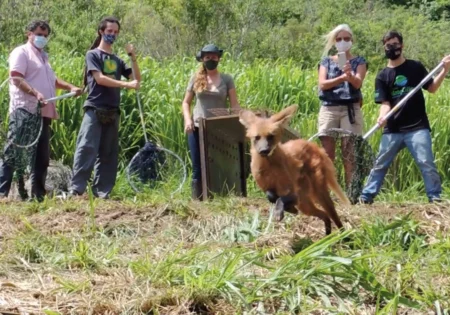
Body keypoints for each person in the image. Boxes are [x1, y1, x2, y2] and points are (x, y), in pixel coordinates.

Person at [359, 30, 450, 204]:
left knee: (426, 162)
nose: (392, 48)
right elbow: (385, 103)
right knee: (380, 163)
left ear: (402, 45)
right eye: (388, 45)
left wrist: (444, 71)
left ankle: (435, 197)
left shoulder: (415, 67)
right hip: (393, 128)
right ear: (384, 47)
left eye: (395, 44)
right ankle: (366, 197)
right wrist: (382, 117)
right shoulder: (382, 75)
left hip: (417, 127)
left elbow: (431, 88)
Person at [0, 20, 82, 202]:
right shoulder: (21, 53)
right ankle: (2, 191)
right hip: (25, 110)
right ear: (28, 33)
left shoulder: (43, 57)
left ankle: (37, 195)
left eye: (45, 36)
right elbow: (16, 78)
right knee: (14, 150)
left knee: (41, 156)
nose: (42, 38)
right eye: (39, 34)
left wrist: (70, 87)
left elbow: (52, 80)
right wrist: (35, 93)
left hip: (44, 112)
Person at [68, 16, 141, 199]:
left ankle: (102, 192)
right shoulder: (93, 54)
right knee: (86, 149)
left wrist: (133, 57)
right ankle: (77, 190)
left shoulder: (117, 60)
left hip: (113, 110)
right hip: (94, 108)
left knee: (108, 153)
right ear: (101, 31)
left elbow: (136, 79)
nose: (112, 35)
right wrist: (126, 85)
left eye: (115, 32)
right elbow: (100, 79)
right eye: (109, 31)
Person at [181, 44, 240, 200]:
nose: (211, 59)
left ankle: (219, 197)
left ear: (218, 58)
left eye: (214, 57)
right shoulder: (195, 78)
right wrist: (188, 120)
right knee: (197, 166)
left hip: (219, 128)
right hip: (197, 127)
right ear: (202, 59)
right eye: (208, 57)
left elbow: (234, 105)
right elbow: (185, 103)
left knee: (219, 164)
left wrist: (237, 123)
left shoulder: (227, 79)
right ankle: (197, 200)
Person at [317, 24, 368, 189]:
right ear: (334, 42)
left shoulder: (359, 61)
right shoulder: (326, 61)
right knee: (327, 153)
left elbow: (358, 83)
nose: (343, 42)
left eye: (346, 38)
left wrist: (349, 75)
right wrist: (341, 78)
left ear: (352, 40)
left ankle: (351, 192)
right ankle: (325, 190)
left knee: (350, 153)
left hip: (350, 109)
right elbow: (323, 84)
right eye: (339, 39)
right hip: (329, 108)